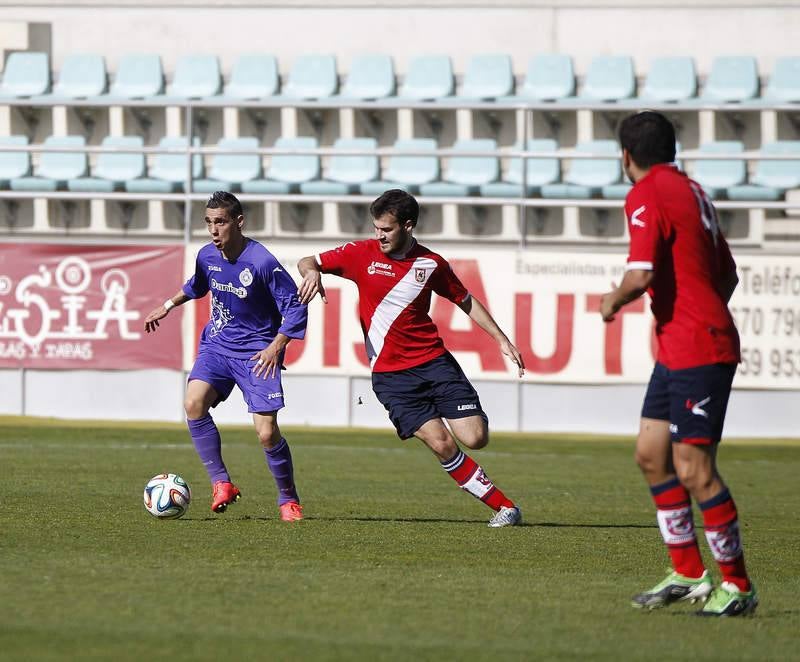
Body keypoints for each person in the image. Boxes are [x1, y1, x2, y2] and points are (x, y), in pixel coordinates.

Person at [599, 112, 757, 616]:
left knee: (694, 468)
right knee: (652, 453)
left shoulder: (646, 193)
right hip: (682, 345)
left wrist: (610, 302)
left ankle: (738, 586)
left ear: (627, 155)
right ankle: (688, 573)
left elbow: (640, 274)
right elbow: (728, 274)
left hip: (697, 348)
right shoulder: (693, 192)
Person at [297, 189, 526, 527]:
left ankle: (466, 417)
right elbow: (308, 260)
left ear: (408, 226)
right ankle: (505, 508)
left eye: (386, 229)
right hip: (391, 377)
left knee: (475, 438)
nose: (379, 235)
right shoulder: (361, 253)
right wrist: (311, 272)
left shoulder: (431, 264)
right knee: (441, 443)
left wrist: (501, 339)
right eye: (376, 228)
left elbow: (465, 299)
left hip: (435, 363)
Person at [144, 191, 308, 522]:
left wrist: (276, 346)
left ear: (239, 222)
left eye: (220, 222)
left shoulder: (262, 262)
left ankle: (288, 499)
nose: (213, 230)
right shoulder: (207, 255)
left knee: (266, 433)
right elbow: (197, 285)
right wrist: (167, 306)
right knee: (193, 403)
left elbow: (295, 307)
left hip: (257, 353)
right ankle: (222, 483)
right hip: (217, 346)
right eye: (208, 222)